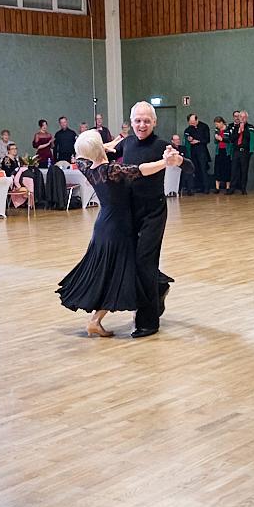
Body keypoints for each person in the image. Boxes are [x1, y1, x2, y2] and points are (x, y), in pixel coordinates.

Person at [57, 130, 180, 338]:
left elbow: (82, 156)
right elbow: (141, 170)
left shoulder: (86, 167)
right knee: (116, 275)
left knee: (108, 272)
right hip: (118, 228)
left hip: (103, 227)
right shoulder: (112, 171)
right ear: (100, 147)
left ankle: (155, 289)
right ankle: (96, 320)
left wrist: (103, 147)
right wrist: (164, 162)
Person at [110, 101, 188, 338]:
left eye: (146, 121)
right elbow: (106, 152)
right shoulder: (126, 143)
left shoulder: (162, 146)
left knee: (145, 261)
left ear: (154, 122)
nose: (142, 125)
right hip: (130, 211)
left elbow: (189, 166)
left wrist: (177, 161)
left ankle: (148, 322)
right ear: (131, 122)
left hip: (154, 212)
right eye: (137, 120)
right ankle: (159, 285)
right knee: (134, 261)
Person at [227, 111, 254, 195]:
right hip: (236, 151)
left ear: (246, 118)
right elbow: (231, 139)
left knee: (244, 171)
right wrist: (239, 132)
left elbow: (251, 138)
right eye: (241, 117)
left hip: (245, 152)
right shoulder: (235, 127)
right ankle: (232, 188)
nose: (242, 118)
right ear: (239, 118)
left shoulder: (250, 127)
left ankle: (243, 188)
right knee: (234, 170)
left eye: (244, 117)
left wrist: (244, 131)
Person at [183, 113, 211, 194]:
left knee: (203, 169)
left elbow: (207, 139)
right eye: (190, 123)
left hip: (202, 151)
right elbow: (186, 135)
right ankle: (200, 186)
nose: (192, 124)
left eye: (193, 122)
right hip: (193, 152)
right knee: (196, 169)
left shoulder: (204, 126)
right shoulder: (188, 129)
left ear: (197, 120)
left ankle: (206, 187)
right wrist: (189, 138)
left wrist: (198, 141)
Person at [212, 116, 231, 193]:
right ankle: (217, 187)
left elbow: (230, 139)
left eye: (217, 124)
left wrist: (222, 139)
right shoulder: (217, 130)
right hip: (219, 151)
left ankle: (228, 187)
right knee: (217, 168)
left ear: (221, 122)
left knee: (227, 168)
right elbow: (215, 141)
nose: (216, 126)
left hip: (226, 151)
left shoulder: (229, 129)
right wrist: (216, 138)